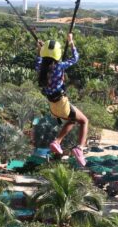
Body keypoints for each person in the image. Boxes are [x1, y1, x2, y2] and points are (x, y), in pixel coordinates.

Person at [36, 33, 89, 167]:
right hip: (61, 103)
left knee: (72, 120)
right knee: (84, 121)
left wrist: (40, 50)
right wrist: (71, 42)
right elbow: (75, 58)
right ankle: (80, 148)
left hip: (52, 106)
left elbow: (40, 59)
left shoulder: (40, 67)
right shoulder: (59, 66)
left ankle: (57, 141)